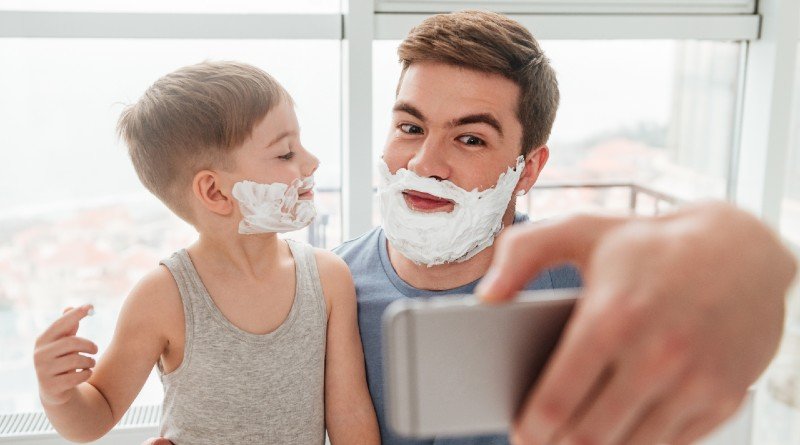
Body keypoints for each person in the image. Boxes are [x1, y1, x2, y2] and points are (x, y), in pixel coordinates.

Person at [144, 10, 798, 445]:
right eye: (410, 127)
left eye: (471, 138)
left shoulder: (588, 285)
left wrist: (752, 260)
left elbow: (728, 310)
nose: (427, 162)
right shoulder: (319, 291)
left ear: (528, 167)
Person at [33, 61, 379, 444]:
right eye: (285, 154)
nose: (312, 163)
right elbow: (94, 418)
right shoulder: (163, 298)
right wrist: (58, 394)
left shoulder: (329, 279)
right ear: (215, 192)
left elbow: (350, 412)